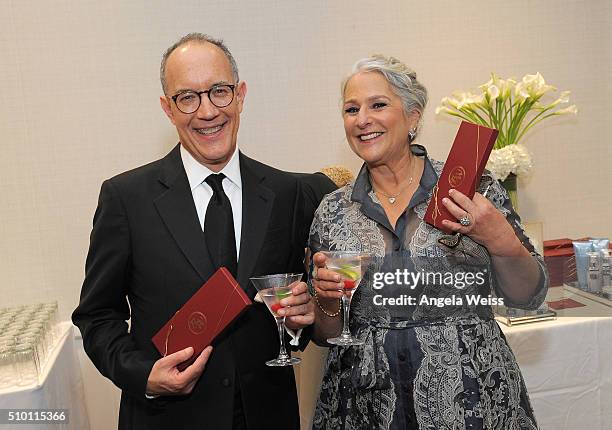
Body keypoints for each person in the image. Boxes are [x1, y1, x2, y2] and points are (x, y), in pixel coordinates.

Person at [72, 33, 316, 430]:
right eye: (188, 97)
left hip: (267, 415)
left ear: (240, 95)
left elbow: (294, 311)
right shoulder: (125, 198)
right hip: (167, 417)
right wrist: (143, 375)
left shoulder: (287, 193)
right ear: (168, 109)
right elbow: (97, 316)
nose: (207, 112)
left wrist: (300, 320)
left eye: (219, 91)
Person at [309, 55, 548, 430]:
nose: (362, 119)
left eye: (378, 105)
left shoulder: (471, 189)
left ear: (414, 116)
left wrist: (502, 241)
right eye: (351, 109)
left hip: (473, 402)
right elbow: (326, 334)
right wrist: (324, 299)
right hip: (363, 407)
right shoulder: (333, 211)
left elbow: (528, 295)